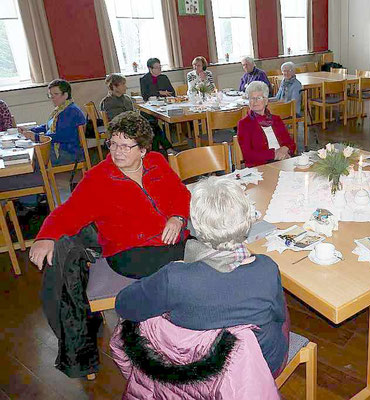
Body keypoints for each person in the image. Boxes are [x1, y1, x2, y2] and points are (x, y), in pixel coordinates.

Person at [115, 177, 290, 376]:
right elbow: (278, 317)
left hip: (197, 372)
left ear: (196, 224)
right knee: (279, 306)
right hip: (261, 368)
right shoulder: (267, 268)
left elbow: (124, 305)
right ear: (247, 221)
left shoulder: (174, 277)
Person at [29, 111, 190, 278]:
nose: (117, 152)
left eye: (125, 146)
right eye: (113, 144)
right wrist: (46, 237)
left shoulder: (156, 162)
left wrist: (178, 217)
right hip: (131, 252)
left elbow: (180, 193)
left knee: (206, 255)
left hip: (173, 239)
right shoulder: (98, 179)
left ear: (142, 149)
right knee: (191, 265)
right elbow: (69, 212)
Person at [100, 73, 175, 155]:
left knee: (152, 123)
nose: (126, 87)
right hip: (121, 129)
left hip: (131, 124)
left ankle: (157, 152)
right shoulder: (108, 102)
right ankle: (161, 151)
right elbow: (116, 121)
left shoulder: (126, 98)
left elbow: (131, 113)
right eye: (123, 84)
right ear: (114, 86)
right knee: (152, 126)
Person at [19, 79, 86, 165]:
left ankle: (39, 176)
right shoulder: (62, 109)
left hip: (68, 153)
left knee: (30, 156)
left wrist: (37, 137)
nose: (52, 97)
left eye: (56, 94)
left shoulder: (71, 111)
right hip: (62, 149)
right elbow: (49, 126)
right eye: (51, 95)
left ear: (65, 95)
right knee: (29, 153)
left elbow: (64, 136)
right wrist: (31, 130)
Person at [237, 81, 296, 167]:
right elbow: (248, 155)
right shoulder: (244, 124)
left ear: (266, 101)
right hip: (261, 165)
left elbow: (291, 143)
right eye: (252, 98)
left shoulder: (276, 119)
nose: (255, 101)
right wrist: (274, 154)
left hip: (283, 159)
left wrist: (285, 149)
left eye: (259, 98)